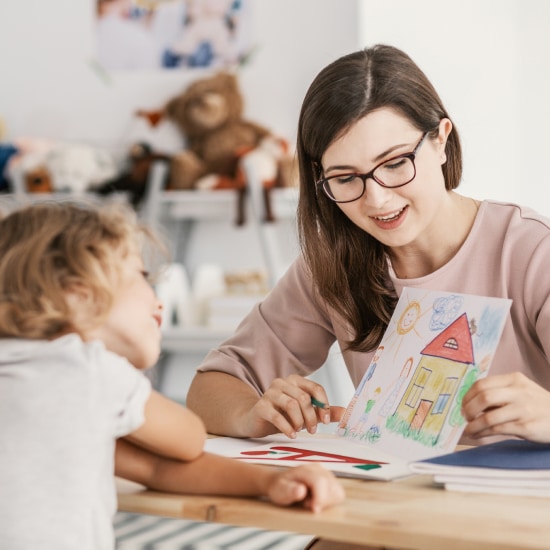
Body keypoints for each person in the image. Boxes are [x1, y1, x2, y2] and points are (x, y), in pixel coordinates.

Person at [186, 44, 550, 451]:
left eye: (395, 164)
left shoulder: (532, 251)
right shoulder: (332, 266)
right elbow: (211, 388)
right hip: (395, 508)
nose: (376, 200)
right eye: (345, 178)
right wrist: (252, 413)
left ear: (440, 140)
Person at [0, 200, 344, 550]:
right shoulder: (87, 371)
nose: (158, 300)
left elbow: (153, 468)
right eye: (141, 275)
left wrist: (267, 483)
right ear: (78, 294)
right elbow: (188, 439)